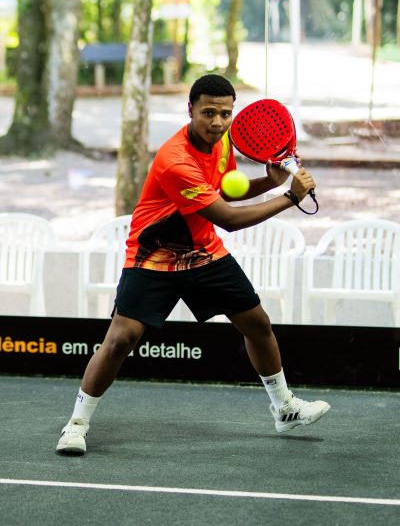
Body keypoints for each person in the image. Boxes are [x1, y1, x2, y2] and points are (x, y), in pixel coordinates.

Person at [56, 74, 330, 455]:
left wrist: (269, 184)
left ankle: (284, 408)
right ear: (190, 110)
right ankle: (76, 425)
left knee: (257, 324)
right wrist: (290, 197)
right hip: (155, 257)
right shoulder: (175, 160)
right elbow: (228, 219)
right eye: (208, 113)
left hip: (203, 252)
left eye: (225, 114)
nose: (217, 122)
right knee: (120, 340)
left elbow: (220, 193)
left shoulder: (222, 143)